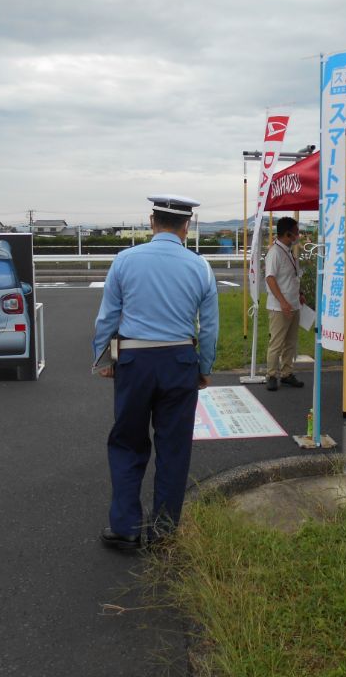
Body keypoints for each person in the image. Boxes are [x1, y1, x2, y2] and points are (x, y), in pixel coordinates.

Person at [92, 194, 219, 550]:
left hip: (135, 362)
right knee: (174, 448)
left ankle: (125, 527)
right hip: (180, 362)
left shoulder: (125, 260)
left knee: (128, 443)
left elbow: (108, 317)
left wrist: (105, 360)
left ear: (151, 221)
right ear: (186, 225)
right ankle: (164, 532)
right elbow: (208, 327)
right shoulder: (200, 267)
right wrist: (204, 367)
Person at [264, 216, 305, 391]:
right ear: (287, 234)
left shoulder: (289, 251)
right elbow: (270, 278)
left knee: (291, 342)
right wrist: (283, 302)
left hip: (293, 304)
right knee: (277, 343)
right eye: (296, 232)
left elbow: (292, 277)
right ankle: (271, 375)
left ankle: (287, 373)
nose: (298, 235)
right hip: (280, 307)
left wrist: (300, 293)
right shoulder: (275, 252)